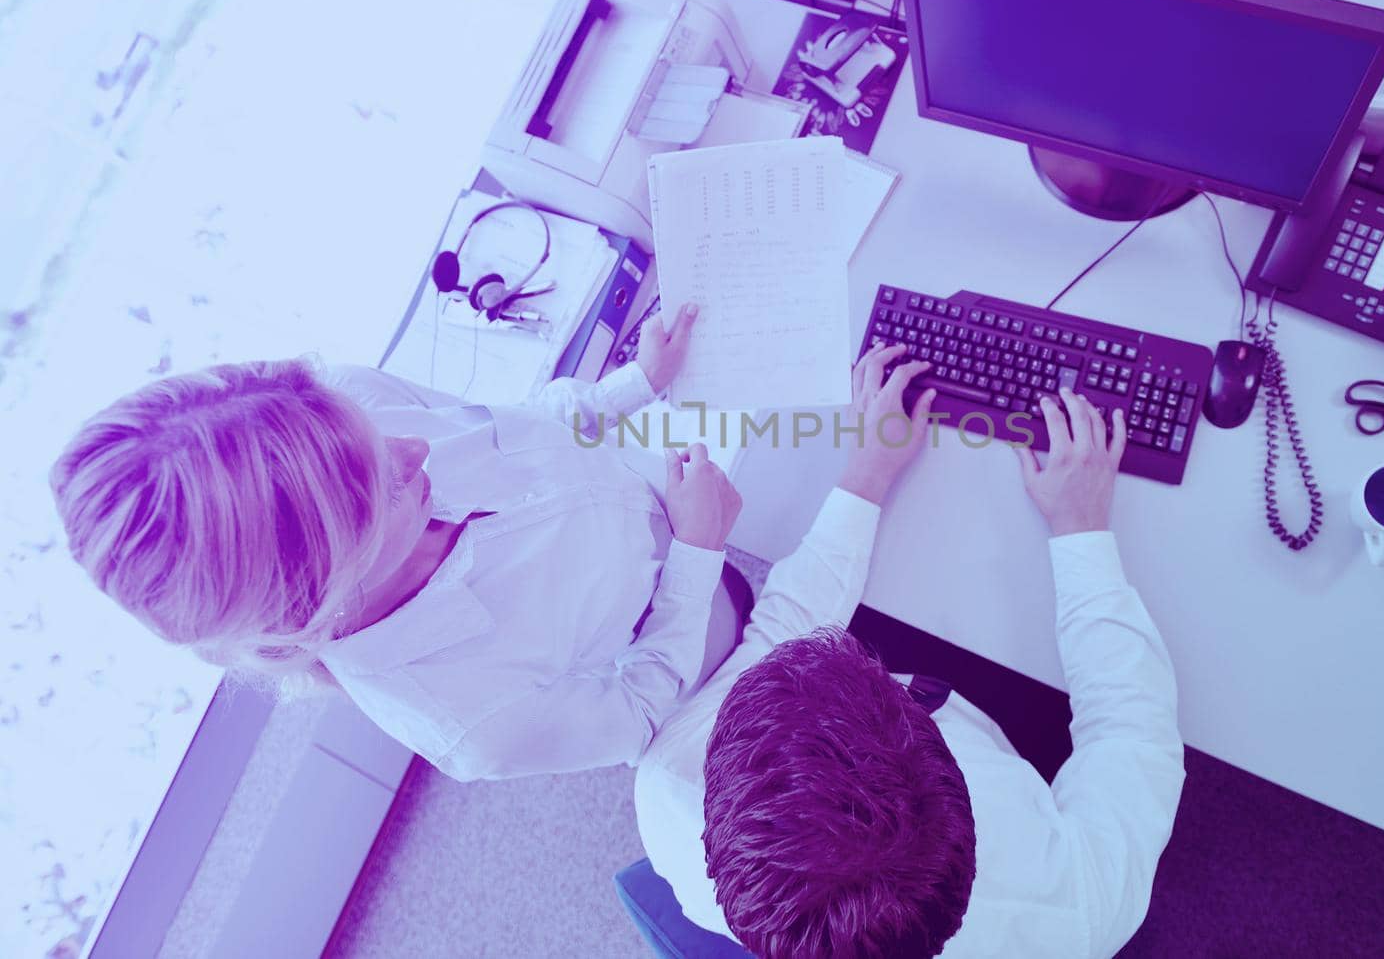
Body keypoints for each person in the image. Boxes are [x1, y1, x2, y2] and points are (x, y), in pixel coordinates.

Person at [634, 344, 1185, 958]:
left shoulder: (671, 788)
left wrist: (867, 471)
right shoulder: (1075, 913)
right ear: (947, 769)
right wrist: (1083, 529)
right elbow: (1135, 734)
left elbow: (776, 636)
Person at [50, 306, 749, 780]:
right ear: (315, 597)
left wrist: (636, 383)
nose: (415, 448)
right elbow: (639, 712)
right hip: (692, 647)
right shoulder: (467, 718)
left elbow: (523, 426)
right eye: (382, 486)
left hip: (673, 497)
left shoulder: (350, 398)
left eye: (370, 432)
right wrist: (697, 552)